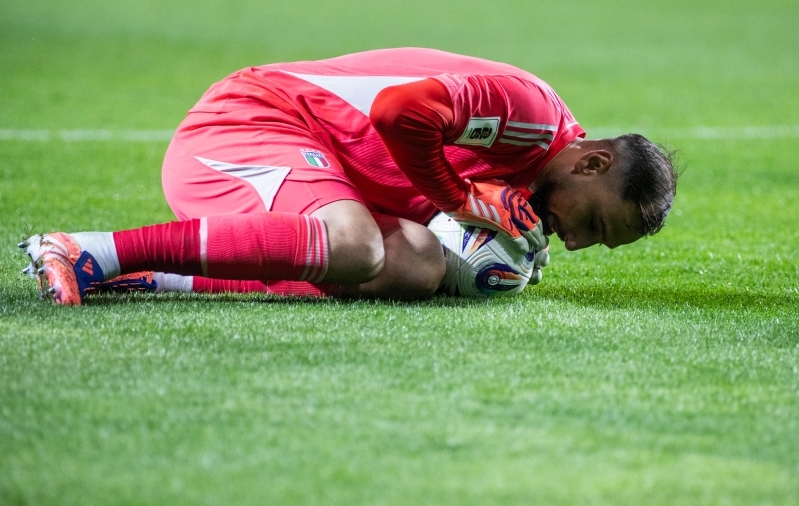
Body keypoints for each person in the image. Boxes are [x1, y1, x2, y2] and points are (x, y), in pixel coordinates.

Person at [19, 48, 677, 305]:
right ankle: (85, 250)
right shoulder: (530, 116)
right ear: (590, 162)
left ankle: (153, 275)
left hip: (308, 164)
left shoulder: (530, 178)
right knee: (358, 245)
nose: (575, 242)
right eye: (590, 222)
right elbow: (400, 111)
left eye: (593, 242)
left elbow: (431, 226)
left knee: (414, 265)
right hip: (253, 121)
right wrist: (458, 198)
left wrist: (467, 256)